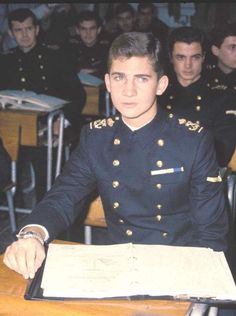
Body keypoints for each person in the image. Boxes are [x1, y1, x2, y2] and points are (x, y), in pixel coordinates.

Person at [3, 32, 228, 280]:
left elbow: (210, 235)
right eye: (119, 78)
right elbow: (64, 195)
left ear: (161, 84)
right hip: (119, 265)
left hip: (177, 266)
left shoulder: (193, 141)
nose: (128, 91)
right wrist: (33, 234)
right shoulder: (96, 137)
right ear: (108, 82)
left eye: (141, 79)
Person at [0, 8, 86, 202]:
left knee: (47, 169)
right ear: (11, 34)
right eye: (19, 30)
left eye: (29, 29)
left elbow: (77, 94)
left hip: (47, 127)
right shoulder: (5, 61)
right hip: (12, 129)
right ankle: (11, 205)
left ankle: (44, 211)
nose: (24, 35)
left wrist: (62, 123)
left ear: (37, 29)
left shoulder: (55, 58)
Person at [159, 26, 236, 168]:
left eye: (195, 57)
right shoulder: (158, 94)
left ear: (204, 57)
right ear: (171, 57)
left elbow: (223, 151)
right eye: (180, 57)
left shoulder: (222, 95)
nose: (188, 65)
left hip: (200, 175)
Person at [64, 10, 110, 79]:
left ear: (99, 30)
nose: (88, 33)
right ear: (77, 30)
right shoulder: (70, 50)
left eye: (92, 28)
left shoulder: (107, 50)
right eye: (83, 29)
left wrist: (94, 71)